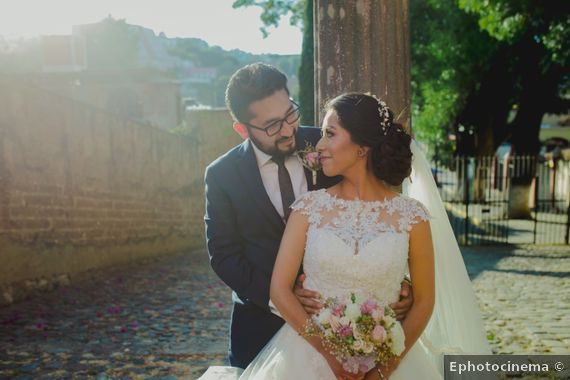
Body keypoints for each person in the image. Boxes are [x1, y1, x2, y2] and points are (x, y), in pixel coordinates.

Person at [201, 92, 491, 380]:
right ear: (244, 127)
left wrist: (384, 368)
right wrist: (329, 355)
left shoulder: (412, 217)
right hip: (304, 353)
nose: (318, 144)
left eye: (329, 134)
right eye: (273, 124)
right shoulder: (308, 207)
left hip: (388, 353)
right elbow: (235, 263)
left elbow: (425, 300)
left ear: (363, 147)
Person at [203, 64, 414, 372]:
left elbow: (374, 212)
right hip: (261, 326)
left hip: (350, 325)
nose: (289, 130)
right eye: (273, 125)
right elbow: (223, 256)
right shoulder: (222, 175)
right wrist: (282, 298)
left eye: (290, 114)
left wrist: (393, 278)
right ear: (243, 129)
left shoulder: (331, 144)